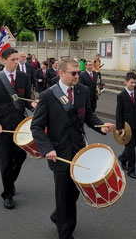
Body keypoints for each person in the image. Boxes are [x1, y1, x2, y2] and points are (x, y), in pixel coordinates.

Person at [31, 58, 113, 239]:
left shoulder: (82, 90)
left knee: (75, 191)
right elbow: (36, 126)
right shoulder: (47, 96)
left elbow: (88, 115)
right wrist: (47, 149)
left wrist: (101, 126)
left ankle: (58, 216)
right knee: (63, 194)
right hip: (58, 153)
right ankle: (65, 232)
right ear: (61, 73)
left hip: (79, 149)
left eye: (78, 73)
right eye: (73, 73)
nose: (78, 76)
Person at [0, 48, 35, 209]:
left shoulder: (23, 77)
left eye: (17, 59)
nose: (17, 62)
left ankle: (9, 181)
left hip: (21, 125)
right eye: (13, 59)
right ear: (4, 60)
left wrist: (33, 105)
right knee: (6, 160)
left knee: (21, 157)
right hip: (3, 126)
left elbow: (26, 100)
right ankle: (7, 194)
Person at [116, 72, 136, 179]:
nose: (133, 85)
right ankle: (131, 170)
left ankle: (122, 158)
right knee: (131, 149)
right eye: (131, 82)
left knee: (133, 145)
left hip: (135, 125)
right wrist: (119, 128)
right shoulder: (121, 96)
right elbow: (118, 113)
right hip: (126, 127)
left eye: (135, 82)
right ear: (125, 82)